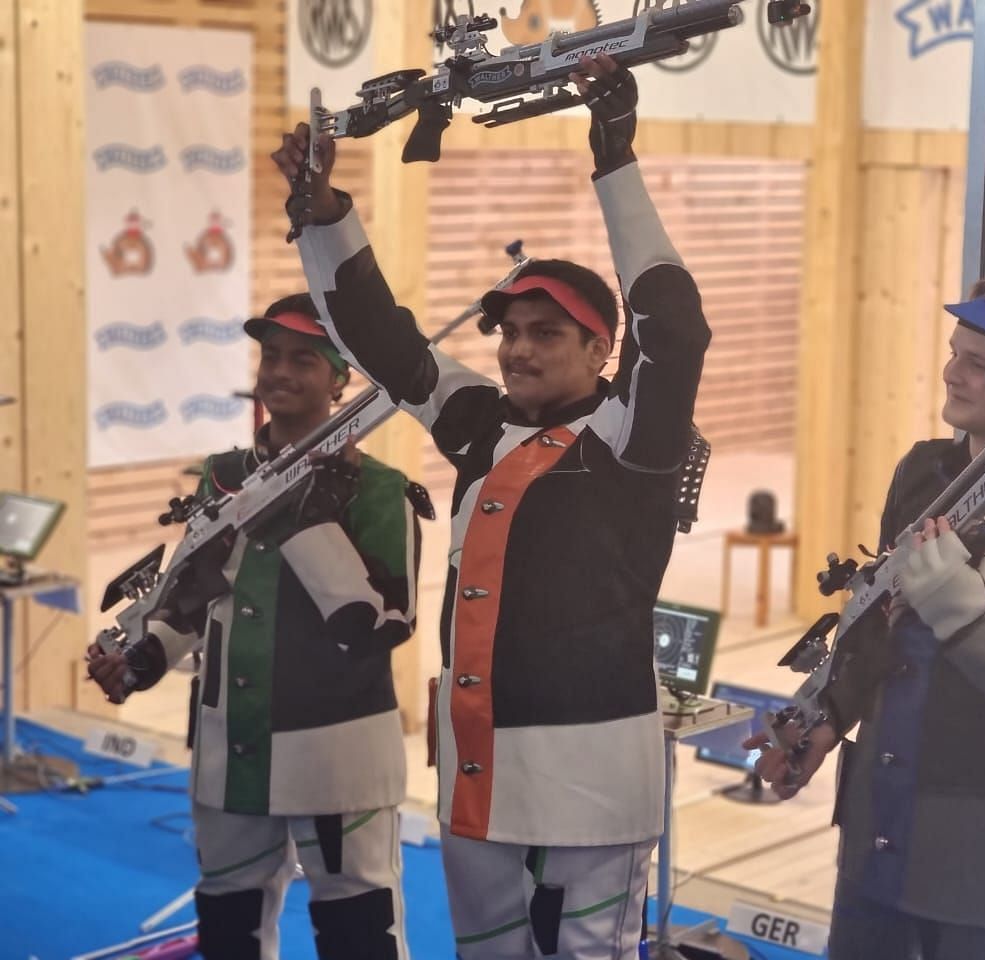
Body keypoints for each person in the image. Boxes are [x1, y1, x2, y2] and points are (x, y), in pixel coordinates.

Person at [271, 55, 709, 959]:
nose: (517, 349)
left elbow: (679, 327)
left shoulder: (633, 438)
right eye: (508, 332)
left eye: (546, 333)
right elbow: (386, 340)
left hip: (591, 784)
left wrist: (614, 161)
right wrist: (327, 218)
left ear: (602, 351)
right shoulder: (481, 424)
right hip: (479, 774)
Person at [748, 278, 985, 960]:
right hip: (875, 834)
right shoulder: (923, 473)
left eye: (977, 360)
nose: (950, 371)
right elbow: (875, 625)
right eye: (954, 351)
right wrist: (827, 717)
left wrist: (966, 619)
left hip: (980, 864)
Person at [87, 294, 423, 960]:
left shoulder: (380, 489)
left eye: (304, 357)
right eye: (271, 354)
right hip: (232, 739)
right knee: (229, 924)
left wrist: (313, 520)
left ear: (339, 379)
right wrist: (144, 657)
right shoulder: (226, 476)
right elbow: (194, 595)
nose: (281, 371)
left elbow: (386, 624)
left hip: (335, 753)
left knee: (357, 928)